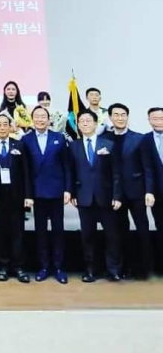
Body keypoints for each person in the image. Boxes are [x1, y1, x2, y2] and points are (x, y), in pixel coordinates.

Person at [69, 109, 122, 282]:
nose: (85, 123)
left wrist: (117, 196)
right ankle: (90, 269)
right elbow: (71, 171)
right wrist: (72, 193)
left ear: (95, 123)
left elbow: (116, 173)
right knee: (88, 236)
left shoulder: (108, 144)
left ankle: (113, 269)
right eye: (81, 121)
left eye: (88, 120)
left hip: (106, 197)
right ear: (78, 125)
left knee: (112, 235)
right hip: (84, 197)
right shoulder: (73, 146)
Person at [0, 112, 33, 283]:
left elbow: (26, 172)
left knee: (18, 233)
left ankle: (19, 267)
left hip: (16, 195)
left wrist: (28, 195)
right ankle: (2, 266)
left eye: (5, 124)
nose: (2, 128)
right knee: (0, 233)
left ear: (11, 127)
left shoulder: (19, 145)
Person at [22, 106, 71, 284]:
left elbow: (66, 166)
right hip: (37, 193)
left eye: (43, 116)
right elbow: (25, 170)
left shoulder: (59, 138)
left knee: (58, 231)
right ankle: (44, 266)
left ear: (49, 119)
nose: (40, 119)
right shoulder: (26, 139)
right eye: (37, 116)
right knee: (41, 232)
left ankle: (58, 267)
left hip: (57, 192)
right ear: (32, 119)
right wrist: (28, 194)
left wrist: (67, 189)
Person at [108, 103, 152, 279]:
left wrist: (149, 190)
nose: (120, 118)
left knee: (142, 230)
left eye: (123, 114)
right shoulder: (104, 139)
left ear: (127, 116)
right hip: (115, 194)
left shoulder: (139, 138)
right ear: (110, 117)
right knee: (120, 232)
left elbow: (147, 167)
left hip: (137, 192)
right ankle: (123, 268)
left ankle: (144, 269)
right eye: (116, 115)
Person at [140, 107, 163, 272]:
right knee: (161, 227)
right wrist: (149, 191)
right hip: (158, 193)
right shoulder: (145, 140)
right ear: (149, 120)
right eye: (154, 118)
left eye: (161, 118)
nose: (159, 122)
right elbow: (146, 168)